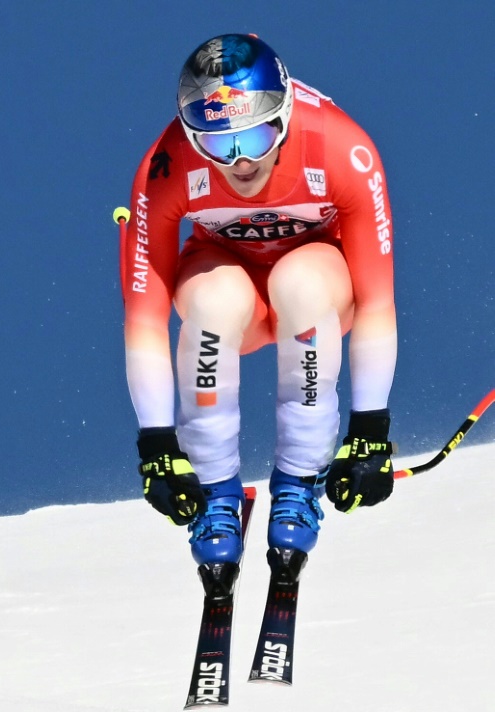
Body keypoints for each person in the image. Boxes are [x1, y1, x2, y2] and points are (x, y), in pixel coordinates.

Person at [122, 33, 397, 583]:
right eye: (218, 145)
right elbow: (144, 318)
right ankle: (217, 493)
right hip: (233, 297)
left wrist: (371, 427)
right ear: (190, 136)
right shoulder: (166, 164)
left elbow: (377, 301)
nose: (242, 160)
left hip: (316, 291)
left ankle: (298, 482)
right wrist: (156, 441)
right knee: (212, 299)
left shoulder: (341, 147)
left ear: (287, 110)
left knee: (300, 282)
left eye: (257, 134)